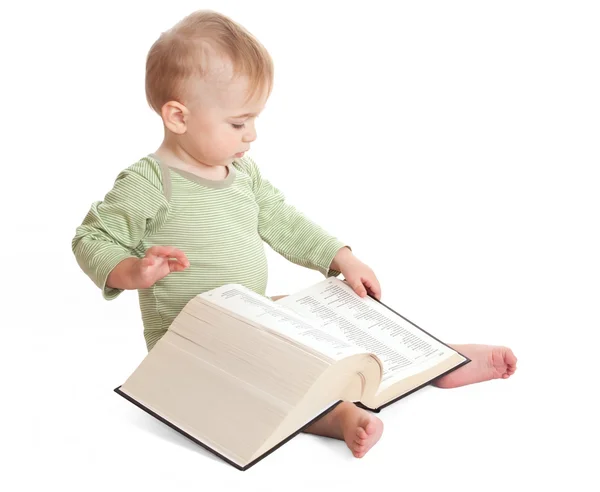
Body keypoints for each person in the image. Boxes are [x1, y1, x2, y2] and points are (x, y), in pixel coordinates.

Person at [72, 9, 517, 460]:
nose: (253, 134)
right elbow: (92, 240)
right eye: (238, 123)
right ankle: (339, 415)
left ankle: (432, 360)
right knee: (268, 379)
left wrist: (340, 257)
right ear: (178, 117)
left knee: (332, 316)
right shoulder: (151, 182)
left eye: (254, 120)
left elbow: (283, 221)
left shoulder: (242, 173)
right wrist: (132, 270)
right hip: (190, 341)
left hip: (253, 313)